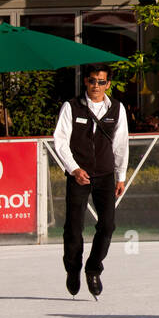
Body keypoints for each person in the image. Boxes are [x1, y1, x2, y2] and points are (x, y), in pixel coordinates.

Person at [52, 64, 129, 300]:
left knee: (107, 226)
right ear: (86, 81)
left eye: (101, 81)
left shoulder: (116, 108)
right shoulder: (71, 106)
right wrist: (74, 169)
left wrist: (121, 176)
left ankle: (93, 269)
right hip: (79, 175)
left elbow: (120, 143)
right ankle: (72, 269)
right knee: (73, 228)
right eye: (93, 81)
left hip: (105, 175)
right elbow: (60, 140)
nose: (96, 86)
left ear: (108, 84)